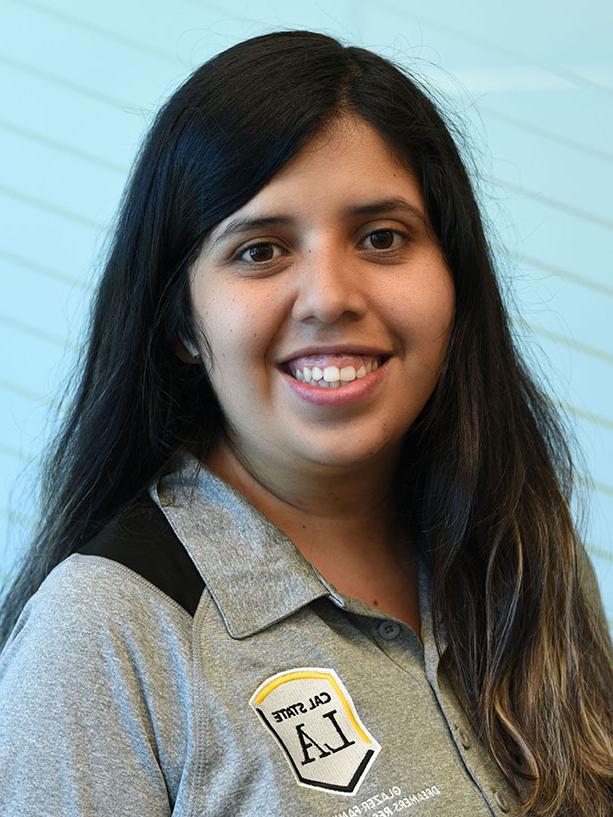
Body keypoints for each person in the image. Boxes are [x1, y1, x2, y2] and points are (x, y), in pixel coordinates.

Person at [0, 29, 611, 817]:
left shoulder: (521, 549)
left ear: (454, 280)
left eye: (381, 237)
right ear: (182, 321)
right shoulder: (106, 629)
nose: (329, 296)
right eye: (260, 250)